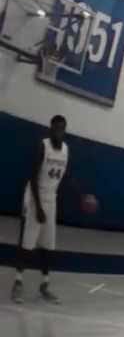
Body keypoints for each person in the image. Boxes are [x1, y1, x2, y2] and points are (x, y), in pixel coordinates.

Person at [11, 115, 83, 304]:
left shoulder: (66, 149)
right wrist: (39, 207)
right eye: (56, 129)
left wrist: (81, 194)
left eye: (62, 129)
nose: (59, 132)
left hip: (51, 199)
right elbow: (33, 178)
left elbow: (64, 176)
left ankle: (45, 285)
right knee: (27, 244)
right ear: (50, 129)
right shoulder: (43, 146)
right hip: (35, 197)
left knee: (48, 246)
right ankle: (17, 282)